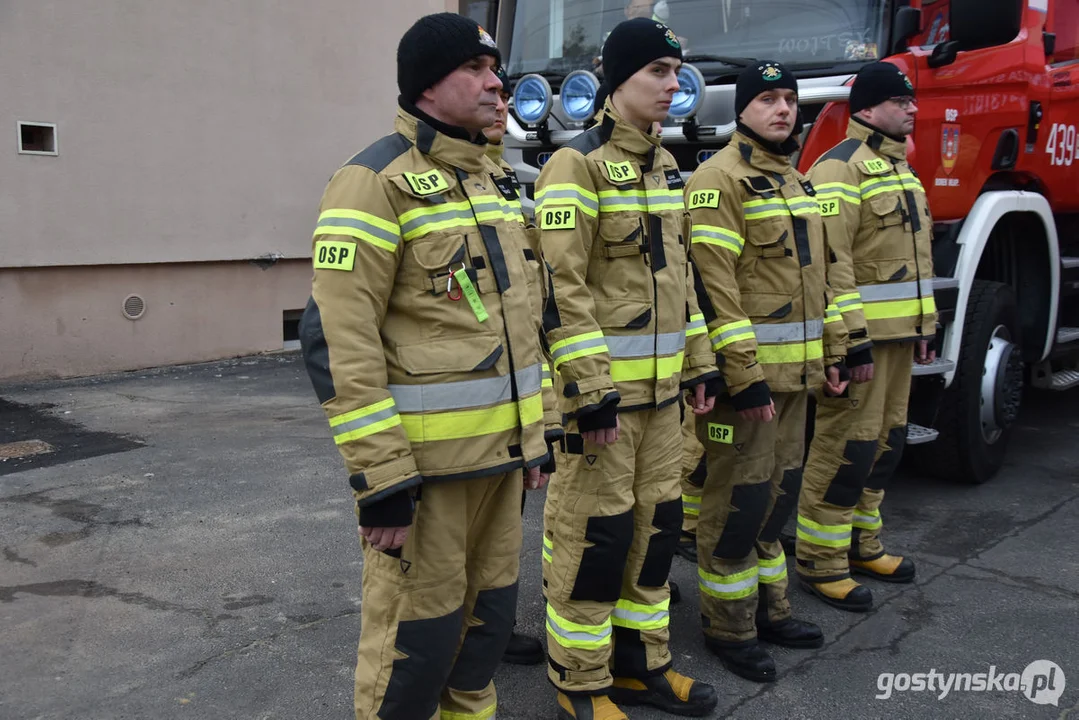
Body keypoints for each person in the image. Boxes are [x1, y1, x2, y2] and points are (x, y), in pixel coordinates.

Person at [297, 13, 558, 719]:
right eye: (474, 69)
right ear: (426, 86)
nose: (494, 83)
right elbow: (338, 342)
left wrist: (540, 436)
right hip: (425, 480)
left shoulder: (497, 183)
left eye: (494, 68)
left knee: (482, 639)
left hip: (500, 469)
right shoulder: (371, 181)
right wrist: (380, 482)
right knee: (412, 651)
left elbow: (528, 323)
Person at [536, 17, 720, 720]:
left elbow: (681, 287)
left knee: (653, 535)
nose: (674, 86)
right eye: (658, 73)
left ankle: (642, 666)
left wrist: (699, 366)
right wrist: (590, 395)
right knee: (594, 542)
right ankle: (579, 683)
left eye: (675, 72)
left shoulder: (666, 167)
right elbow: (560, 290)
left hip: (664, 403)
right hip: (604, 409)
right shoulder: (572, 166)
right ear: (618, 82)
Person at [684, 60, 849, 683]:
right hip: (752, 389)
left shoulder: (799, 182)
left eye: (788, 99)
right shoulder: (719, 179)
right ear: (743, 109)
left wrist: (834, 353)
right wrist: (742, 376)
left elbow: (824, 283)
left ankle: (771, 610)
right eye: (767, 100)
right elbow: (714, 288)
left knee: (774, 505)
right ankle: (729, 628)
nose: (782, 110)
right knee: (736, 508)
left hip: (799, 383)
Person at [796, 61, 936, 612]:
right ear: (869, 109)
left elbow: (915, 262)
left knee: (886, 443)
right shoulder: (839, 170)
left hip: (899, 341)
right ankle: (821, 562)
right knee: (846, 448)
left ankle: (862, 544)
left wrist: (925, 328)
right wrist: (847, 342)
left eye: (911, 101)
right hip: (863, 345)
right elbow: (833, 267)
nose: (912, 109)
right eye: (901, 101)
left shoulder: (901, 169)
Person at [484, 64, 553, 667]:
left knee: (502, 542)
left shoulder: (508, 183)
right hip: (446, 429)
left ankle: (491, 630)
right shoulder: (384, 180)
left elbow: (531, 308)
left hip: (515, 409)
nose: (500, 100)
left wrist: (545, 415)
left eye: (504, 90)